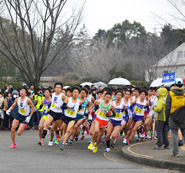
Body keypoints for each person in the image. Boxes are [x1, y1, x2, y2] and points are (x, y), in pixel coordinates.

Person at [165, 78, 185, 156]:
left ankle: (175, 152)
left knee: (174, 134)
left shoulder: (170, 93)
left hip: (174, 115)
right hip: (183, 115)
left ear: (175, 84)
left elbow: (167, 106)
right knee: (184, 133)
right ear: (182, 85)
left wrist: (166, 117)